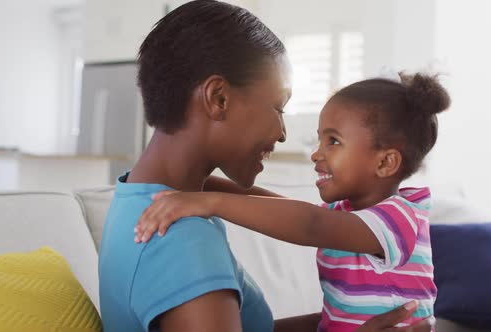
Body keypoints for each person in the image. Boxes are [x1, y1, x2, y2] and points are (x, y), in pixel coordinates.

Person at [99, 0, 435, 331]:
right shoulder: (180, 237)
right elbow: (308, 221)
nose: (284, 133)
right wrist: (207, 198)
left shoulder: (142, 199)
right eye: (278, 107)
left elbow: (305, 217)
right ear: (219, 99)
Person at [135, 72, 450, 330]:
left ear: (385, 163)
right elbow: (282, 207)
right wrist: (206, 184)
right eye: (319, 139)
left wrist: (211, 202)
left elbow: (309, 224)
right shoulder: (347, 216)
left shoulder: (399, 219)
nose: (317, 154)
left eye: (333, 141)